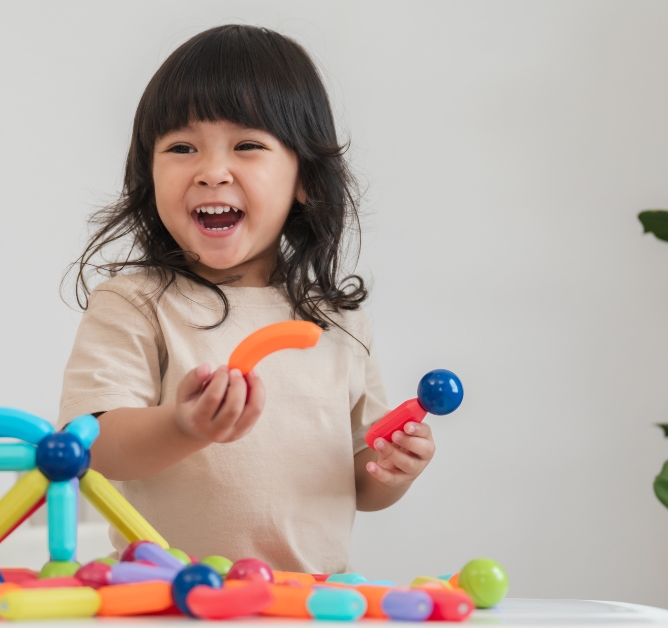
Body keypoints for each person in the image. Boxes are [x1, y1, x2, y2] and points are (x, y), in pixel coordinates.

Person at [58, 24, 435, 574]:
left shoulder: (338, 323)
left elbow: (356, 483)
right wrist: (183, 427)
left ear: (304, 178)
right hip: (169, 601)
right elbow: (89, 445)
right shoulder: (136, 303)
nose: (212, 171)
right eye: (182, 147)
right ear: (149, 173)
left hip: (308, 605)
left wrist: (394, 466)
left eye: (248, 145)